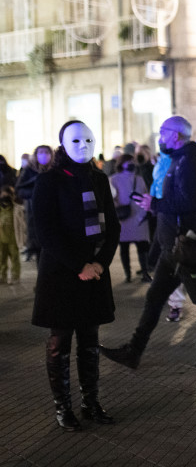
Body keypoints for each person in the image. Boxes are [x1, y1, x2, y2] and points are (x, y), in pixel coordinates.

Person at [100, 116, 196, 369]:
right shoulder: (178, 160)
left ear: (176, 135)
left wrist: (156, 204)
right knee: (155, 298)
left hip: (185, 246)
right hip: (172, 247)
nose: (159, 137)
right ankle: (134, 350)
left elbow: (191, 202)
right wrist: (156, 207)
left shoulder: (187, 162)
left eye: (163, 132)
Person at [32, 121, 120, 430]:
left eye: (89, 139)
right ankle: (63, 407)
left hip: (93, 272)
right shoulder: (49, 181)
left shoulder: (98, 178)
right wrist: (79, 265)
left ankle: (90, 402)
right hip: (61, 275)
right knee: (60, 343)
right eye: (76, 140)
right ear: (63, 145)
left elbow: (112, 226)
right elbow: (46, 232)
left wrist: (100, 263)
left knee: (90, 341)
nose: (83, 145)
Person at [109, 154, 151, 283]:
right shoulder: (113, 179)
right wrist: (116, 209)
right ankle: (128, 274)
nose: (131, 163)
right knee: (124, 247)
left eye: (133, 161)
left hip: (138, 215)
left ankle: (145, 272)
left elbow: (145, 195)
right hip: (124, 217)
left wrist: (145, 212)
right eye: (128, 161)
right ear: (121, 163)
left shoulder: (139, 179)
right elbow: (111, 198)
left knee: (142, 247)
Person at [16, 145, 53, 262]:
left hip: (53, 213)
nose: (43, 155)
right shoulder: (29, 170)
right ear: (35, 155)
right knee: (38, 247)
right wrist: (35, 193)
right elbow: (20, 190)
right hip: (34, 213)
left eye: (46, 152)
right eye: (40, 152)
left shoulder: (55, 170)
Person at [0, 184, 21, 284]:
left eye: (6, 194)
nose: (4, 197)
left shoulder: (15, 208)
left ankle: (15, 276)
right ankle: (2, 276)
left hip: (13, 238)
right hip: (1, 238)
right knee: (1, 259)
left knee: (14, 258)